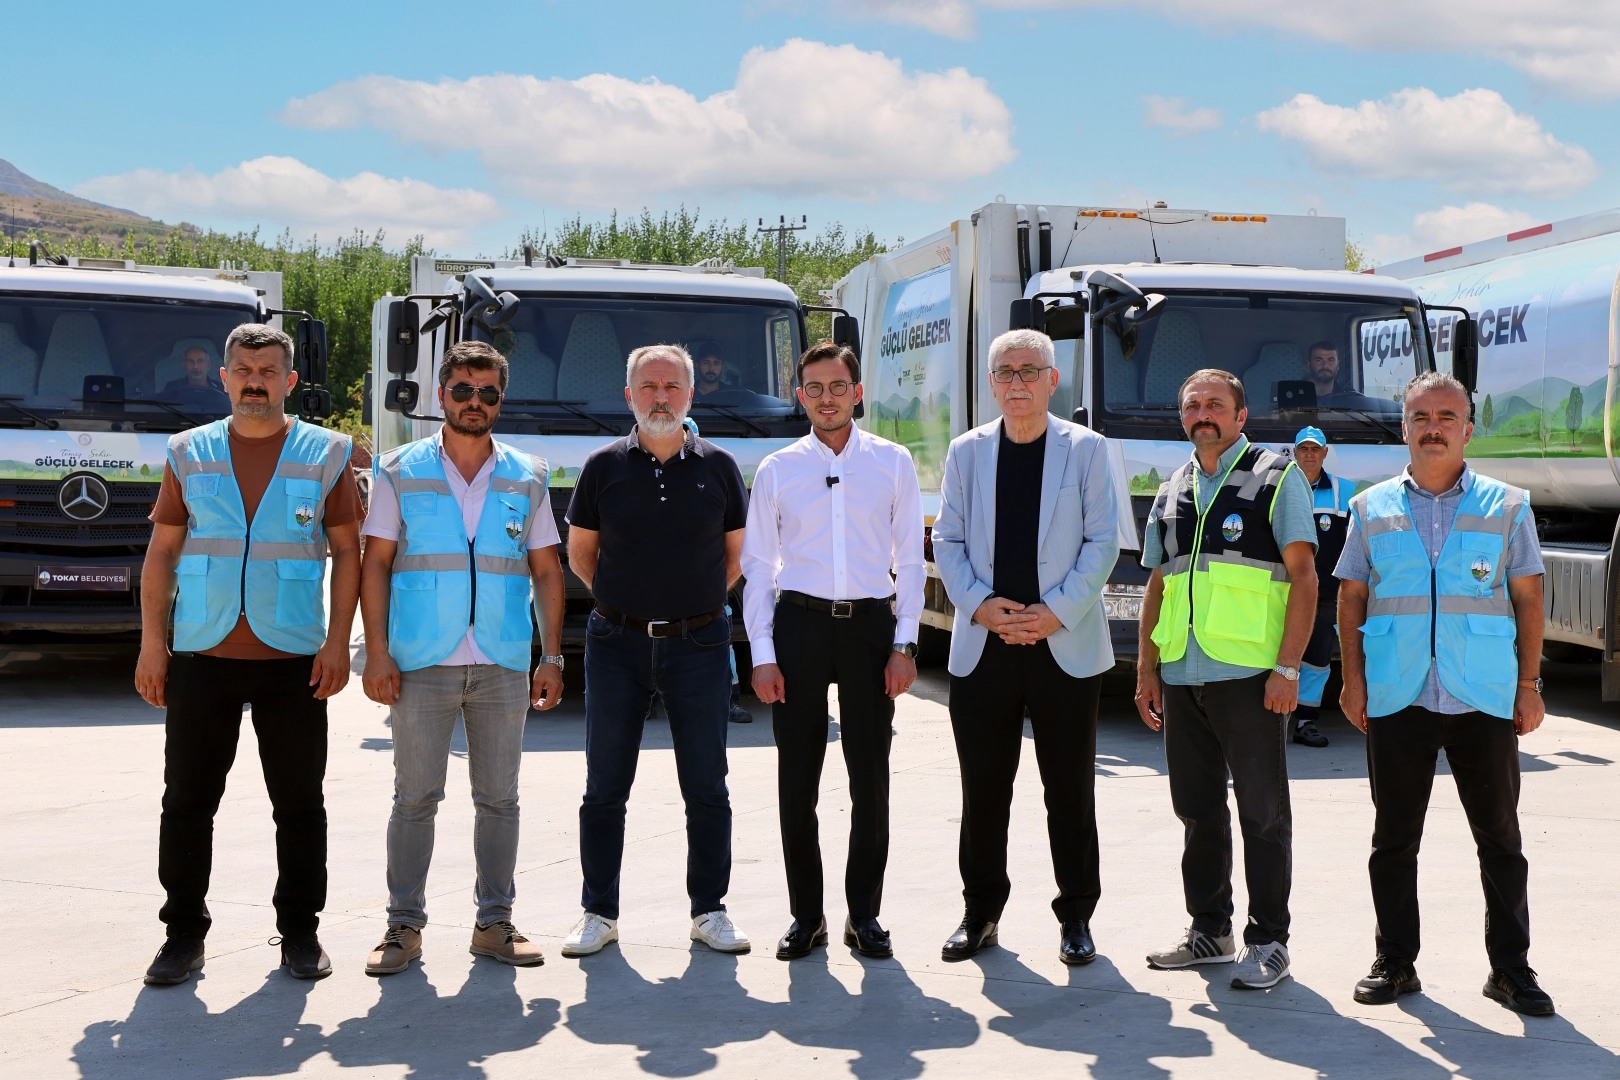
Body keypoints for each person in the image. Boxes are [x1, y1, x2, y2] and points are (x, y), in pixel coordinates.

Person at [135, 323, 362, 985]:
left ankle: (301, 933)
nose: (254, 382)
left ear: (290, 381)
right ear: (224, 378)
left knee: (299, 805)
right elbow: (162, 552)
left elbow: (347, 552)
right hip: (201, 653)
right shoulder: (189, 451)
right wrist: (153, 644)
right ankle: (182, 935)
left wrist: (338, 643)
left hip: (293, 658)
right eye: (243, 370)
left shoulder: (326, 452)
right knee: (187, 802)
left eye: (267, 372)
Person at [1336, 371, 1554, 1016]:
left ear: (1468, 428)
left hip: (1481, 694)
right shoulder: (1369, 507)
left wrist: (1529, 684)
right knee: (1393, 841)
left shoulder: (1507, 505)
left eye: (1446, 417)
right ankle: (1395, 961)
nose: (1433, 428)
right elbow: (1351, 595)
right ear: (1403, 427)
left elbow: (1529, 597)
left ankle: (1510, 969)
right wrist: (1353, 681)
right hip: (1399, 693)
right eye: (1421, 417)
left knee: (1501, 842)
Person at [358, 340, 566, 975]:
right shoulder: (397, 470)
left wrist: (552, 656)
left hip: (502, 660)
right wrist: (376, 653)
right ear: (441, 395)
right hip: (422, 660)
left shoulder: (528, 474)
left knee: (500, 799)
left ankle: (494, 923)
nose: (475, 402)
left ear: (501, 399)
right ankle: (402, 927)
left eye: (488, 392)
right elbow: (375, 565)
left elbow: (547, 571)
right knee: (415, 799)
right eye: (463, 390)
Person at [930, 328, 1121, 965]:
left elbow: (1103, 542)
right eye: (1005, 372)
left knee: (1069, 792)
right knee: (984, 791)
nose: (1017, 382)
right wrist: (981, 606)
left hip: (1062, 644)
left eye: (1029, 370)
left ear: (1051, 380)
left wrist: (1054, 612)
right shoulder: (966, 452)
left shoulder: (1087, 450)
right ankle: (980, 912)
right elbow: (947, 540)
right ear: (991, 384)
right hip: (984, 644)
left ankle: (1077, 916)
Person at [561, 343, 751, 958]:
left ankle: (709, 910)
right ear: (629, 396)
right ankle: (598, 912)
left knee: (707, 785)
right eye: (649, 386)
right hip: (616, 644)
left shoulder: (720, 467)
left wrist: (691, 606)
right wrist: (627, 604)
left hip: (699, 644)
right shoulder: (602, 467)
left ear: (691, 395)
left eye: (672, 386)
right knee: (604, 786)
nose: (661, 397)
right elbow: (581, 555)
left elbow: (735, 558)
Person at [1135, 368, 1318, 990]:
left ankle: (1269, 941)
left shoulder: (1277, 477)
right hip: (1183, 673)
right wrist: (1147, 669)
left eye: (1215, 404)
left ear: (1241, 416)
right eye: (1192, 405)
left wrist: (1288, 668)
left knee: (1262, 812)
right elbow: (1158, 583)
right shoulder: (1172, 487)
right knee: (1197, 809)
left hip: (1250, 675)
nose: (1202, 414)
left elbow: (1304, 578)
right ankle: (1210, 931)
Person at [743, 341, 925, 961]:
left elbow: (910, 559)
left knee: (870, 779)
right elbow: (759, 565)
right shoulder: (778, 469)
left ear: (857, 393)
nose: (827, 398)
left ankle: (863, 915)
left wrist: (905, 643)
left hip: (870, 629)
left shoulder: (892, 462)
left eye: (838, 386)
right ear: (801, 396)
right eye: (815, 388)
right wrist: (762, 654)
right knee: (798, 780)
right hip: (799, 626)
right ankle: (807, 917)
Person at [1290, 426, 1354, 747]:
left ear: (1325, 453)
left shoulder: (1345, 491)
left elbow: (1357, 542)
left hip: (1328, 594)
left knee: (1317, 659)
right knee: (1278, 655)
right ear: (1295, 453)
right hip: (1286, 592)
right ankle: (1271, 721)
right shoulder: (1280, 487)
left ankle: (1305, 722)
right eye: (1304, 449)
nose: (1310, 454)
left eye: (1315, 449)